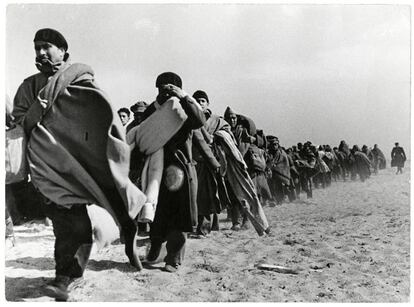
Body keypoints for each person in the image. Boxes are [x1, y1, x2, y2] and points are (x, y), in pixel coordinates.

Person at [12, 28, 146, 301]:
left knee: (84, 220)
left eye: (46, 46)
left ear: (64, 52)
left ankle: (73, 273)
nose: (40, 53)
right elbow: (19, 122)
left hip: (81, 166)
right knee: (67, 223)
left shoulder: (80, 81)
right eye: (36, 47)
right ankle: (65, 277)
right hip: (48, 170)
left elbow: (100, 115)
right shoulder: (28, 86)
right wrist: (36, 113)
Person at [129, 72, 205, 272]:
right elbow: (142, 134)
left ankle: (174, 259)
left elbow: (199, 121)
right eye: (161, 86)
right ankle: (154, 250)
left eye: (169, 86)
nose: (164, 90)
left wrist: (183, 96)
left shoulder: (184, 108)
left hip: (178, 168)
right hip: (155, 168)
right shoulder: (152, 111)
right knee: (156, 211)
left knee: (179, 215)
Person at [191, 90, 226, 236]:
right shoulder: (190, 118)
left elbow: (226, 132)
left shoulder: (216, 120)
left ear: (207, 103)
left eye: (202, 101)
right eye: (197, 101)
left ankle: (204, 227)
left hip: (210, 163)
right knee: (196, 195)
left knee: (208, 195)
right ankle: (200, 225)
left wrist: (215, 136)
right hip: (194, 161)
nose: (199, 103)